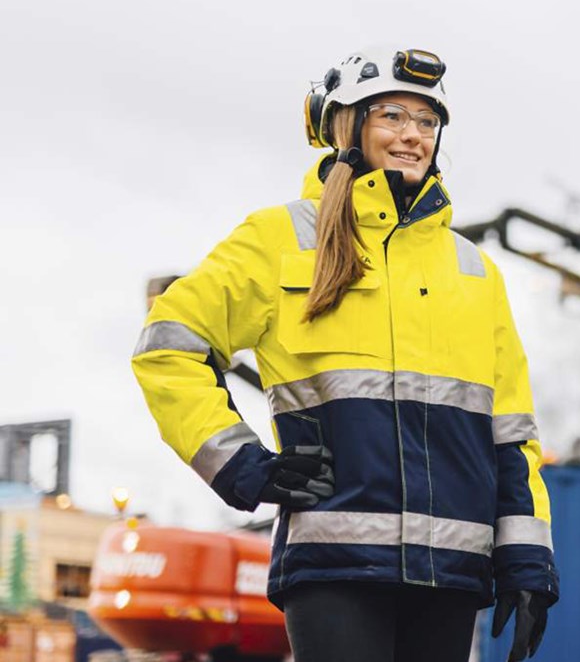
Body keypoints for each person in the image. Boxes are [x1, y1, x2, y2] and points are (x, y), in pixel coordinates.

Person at [132, 46, 558, 662]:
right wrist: (239, 464)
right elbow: (167, 344)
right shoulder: (279, 238)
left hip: (453, 571)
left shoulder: (475, 271)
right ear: (344, 126)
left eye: (427, 121)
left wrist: (525, 559)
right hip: (333, 566)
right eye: (391, 115)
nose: (413, 135)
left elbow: (512, 430)